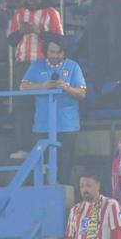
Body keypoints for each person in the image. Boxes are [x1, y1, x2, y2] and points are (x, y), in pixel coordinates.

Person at [6, 0, 63, 157]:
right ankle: (23, 147)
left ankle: (42, 149)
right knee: (22, 106)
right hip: (22, 64)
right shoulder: (18, 13)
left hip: (43, 64)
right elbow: (11, 40)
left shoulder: (52, 13)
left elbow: (59, 40)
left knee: (43, 107)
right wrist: (21, 32)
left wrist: (38, 31)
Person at [20, 35, 86, 185]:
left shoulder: (73, 66)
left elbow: (82, 93)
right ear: (46, 51)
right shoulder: (37, 65)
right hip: (42, 125)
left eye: (59, 52)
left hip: (67, 126)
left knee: (64, 169)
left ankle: (62, 201)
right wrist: (41, 86)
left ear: (64, 52)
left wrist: (67, 88)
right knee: (38, 168)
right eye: (51, 52)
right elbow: (23, 86)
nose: (55, 55)